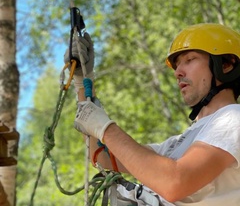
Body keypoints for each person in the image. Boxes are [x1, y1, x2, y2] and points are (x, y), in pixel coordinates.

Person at [65, 23, 240, 205]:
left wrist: (105, 128)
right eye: (177, 66)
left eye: (190, 59)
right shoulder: (178, 144)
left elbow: (175, 182)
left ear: (226, 64)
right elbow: (104, 157)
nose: (178, 73)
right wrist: (82, 81)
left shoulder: (233, 118)